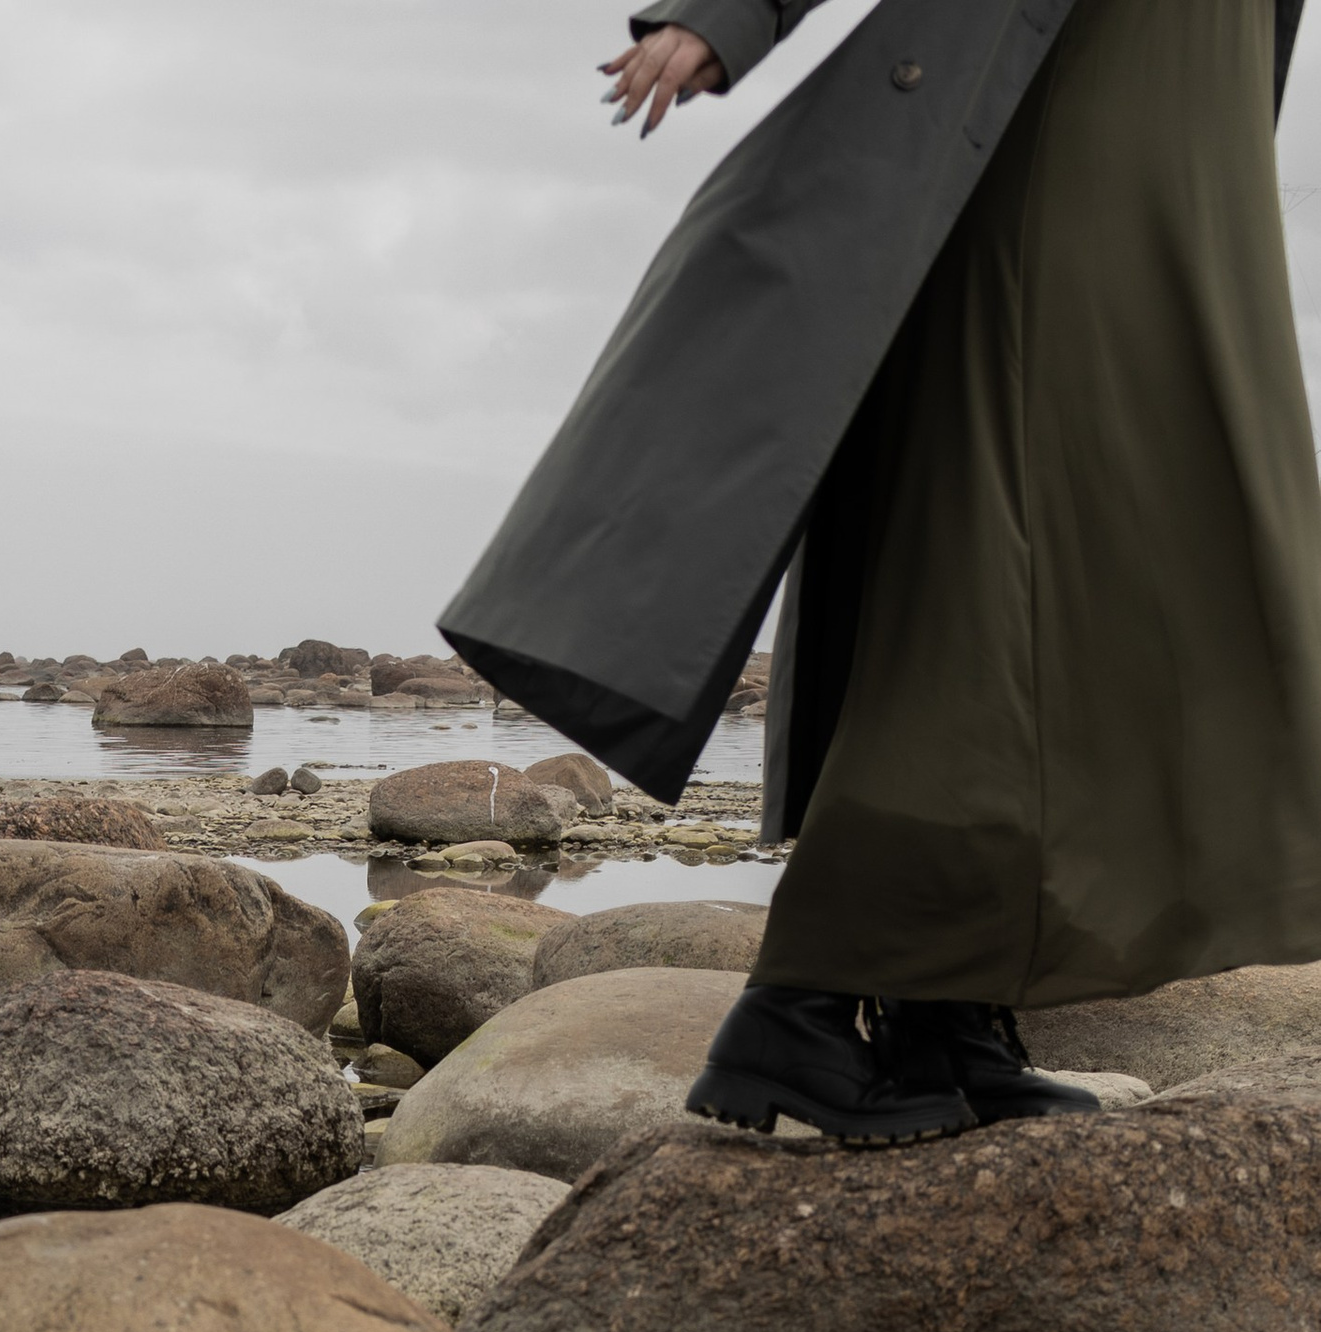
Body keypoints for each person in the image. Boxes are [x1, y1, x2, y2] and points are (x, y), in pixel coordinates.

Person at [444, 0, 1321, 1142]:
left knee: (1110, 543)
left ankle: (940, 1006)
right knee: (1006, 550)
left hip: (1193, 128)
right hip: (1078, 102)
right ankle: (803, 1002)